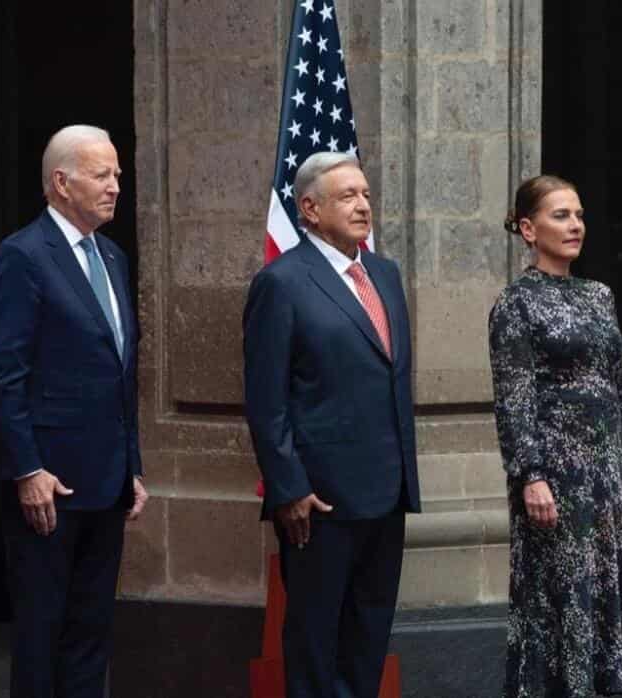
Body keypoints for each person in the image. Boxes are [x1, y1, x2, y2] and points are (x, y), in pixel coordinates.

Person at [243, 152, 421, 698]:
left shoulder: (385, 275)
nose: (364, 204)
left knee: (367, 639)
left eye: (366, 194)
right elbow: (266, 399)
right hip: (318, 502)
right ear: (310, 209)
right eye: (348, 196)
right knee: (316, 645)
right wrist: (288, 487)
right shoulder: (282, 282)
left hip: (386, 492)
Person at [0, 124, 148, 697]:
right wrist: (27, 469)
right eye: (102, 175)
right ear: (61, 182)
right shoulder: (23, 256)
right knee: (41, 634)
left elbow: (119, 374)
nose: (115, 187)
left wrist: (133, 465)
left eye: (118, 175)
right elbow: (5, 375)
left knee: (90, 633)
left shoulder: (114, 257)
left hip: (106, 482)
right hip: (47, 487)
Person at [489, 175, 622, 696]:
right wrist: (530, 476)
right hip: (556, 480)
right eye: (560, 215)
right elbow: (514, 399)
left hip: (605, 475)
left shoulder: (599, 295)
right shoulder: (515, 304)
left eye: (578, 215)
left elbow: (620, 386)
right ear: (527, 229)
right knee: (560, 596)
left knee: (606, 589)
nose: (575, 225)